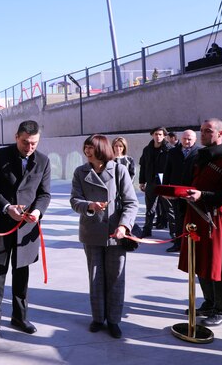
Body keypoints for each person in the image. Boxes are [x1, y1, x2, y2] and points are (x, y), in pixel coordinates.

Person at [0, 120, 51, 341]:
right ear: (16, 137)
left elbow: (44, 194)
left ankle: (19, 317)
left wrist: (38, 213)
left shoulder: (43, 161)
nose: (29, 147)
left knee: (21, 275)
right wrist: (6, 207)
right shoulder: (0, 156)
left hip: (27, 229)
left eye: (34, 143)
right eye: (25, 142)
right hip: (2, 225)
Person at [70, 134, 138, 339]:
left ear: (101, 148)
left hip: (115, 233)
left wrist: (124, 226)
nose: (87, 151)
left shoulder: (119, 170)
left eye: (91, 147)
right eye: (85, 147)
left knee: (116, 277)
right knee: (96, 277)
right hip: (91, 232)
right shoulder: (80, 172)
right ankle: (98, 318)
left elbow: (131, 203)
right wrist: (89, 206)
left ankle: (114, 320)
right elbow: (74, 200)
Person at [178, 118, 222, 327]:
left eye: (208, 131)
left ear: (221, 134)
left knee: (217, 263)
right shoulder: (200, 156)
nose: (203, 134)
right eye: (201, 131)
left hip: (214, 217)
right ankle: (210, 302)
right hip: (195, 215)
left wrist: (203, 195)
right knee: (199, 260)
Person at [162, 130, 200, 252]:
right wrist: (165, 189)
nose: (186, 141)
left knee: (193, 218)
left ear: (195, 140)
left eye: (189, 139)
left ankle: (193, 242)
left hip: (192, 191)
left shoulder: (200, 153)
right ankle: (178, 243)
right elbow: (167, 170)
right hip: (177, 191)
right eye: (184, 138)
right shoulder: (173, 152)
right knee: (178, 218)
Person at [138, 126, 173, 236]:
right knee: (150, 208)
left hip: (165, 182)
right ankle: (147, 230)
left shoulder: (169, 149)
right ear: (152, 135)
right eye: (156, 134)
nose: (158, 137)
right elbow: (143, 166)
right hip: (151, 181)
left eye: (160, 134)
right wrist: (142, 181)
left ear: (164, 136)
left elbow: (173, 167)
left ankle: (174, 233)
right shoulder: (147, 149)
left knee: (169, 208)